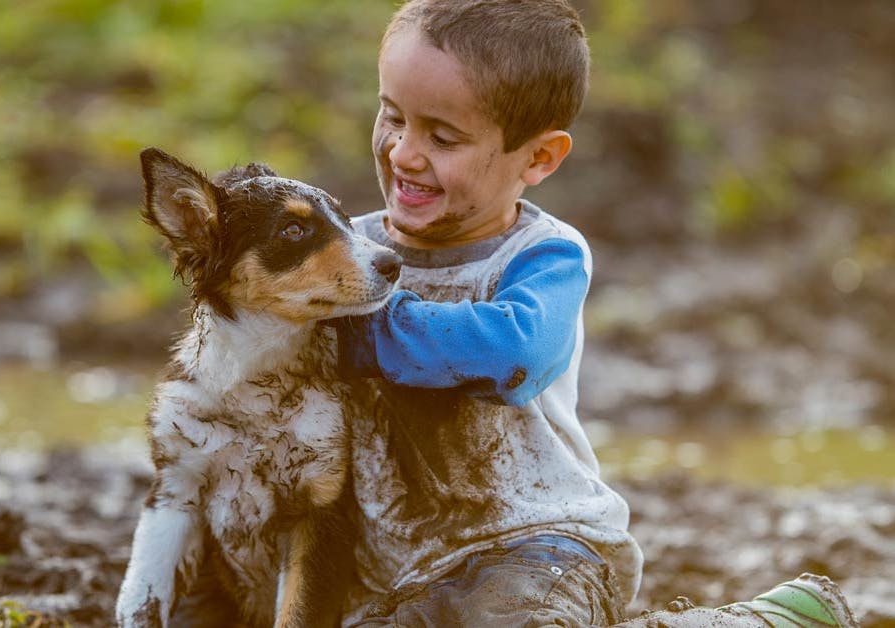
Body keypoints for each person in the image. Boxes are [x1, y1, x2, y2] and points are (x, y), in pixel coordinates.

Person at [333, 1, 860, 626]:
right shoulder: (347, 250)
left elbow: (515, 354)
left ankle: (762, 622)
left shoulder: (543, 256)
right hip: (395, 564)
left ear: (539, 158)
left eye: (442, 137)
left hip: (539, 546)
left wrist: (360, 332)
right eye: (392, 116)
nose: (404, 153)